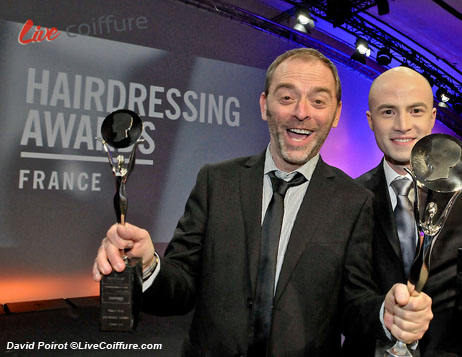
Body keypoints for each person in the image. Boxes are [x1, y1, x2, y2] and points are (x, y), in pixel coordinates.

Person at [92, 48, 432, 356]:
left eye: (318, 101)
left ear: (336, 114)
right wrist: (149, 264)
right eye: (287, 97)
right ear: (264, 105)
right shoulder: (216, 182)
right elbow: (180, 288)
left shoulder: (354, 200)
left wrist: (383, 313)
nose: (301, 113)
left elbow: (352, 303)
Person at [343, 66, 462, 356]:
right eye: (388, 112)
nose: (403, 124)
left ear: (433, 117)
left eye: (415, 110)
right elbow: (340, 297)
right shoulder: (348, 197)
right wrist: (383, 316)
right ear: (370, 120)